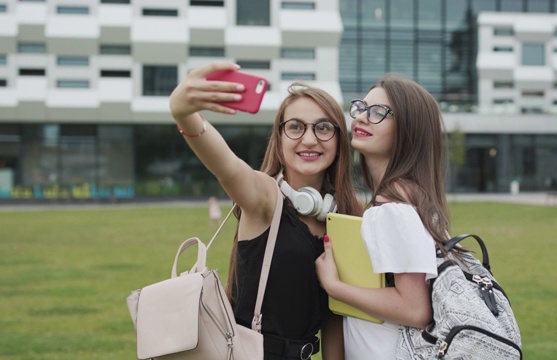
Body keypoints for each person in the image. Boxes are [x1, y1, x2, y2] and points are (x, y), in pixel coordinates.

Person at [169, 61, 363, 359]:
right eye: (295, 127)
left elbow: (336, 314)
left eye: (323, 127)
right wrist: (184, 113)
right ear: (280, 137)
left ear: (339, 140)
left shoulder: (347, 213)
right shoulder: (264, 197)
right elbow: (226, 166)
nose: (309, 139)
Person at [315, 73, 452, 359]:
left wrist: (334, 286)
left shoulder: (393, 204)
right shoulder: (412, 197)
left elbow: (415, 308)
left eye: (378, 112)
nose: (362, 118)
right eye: (361, 108)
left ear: (408, 129)